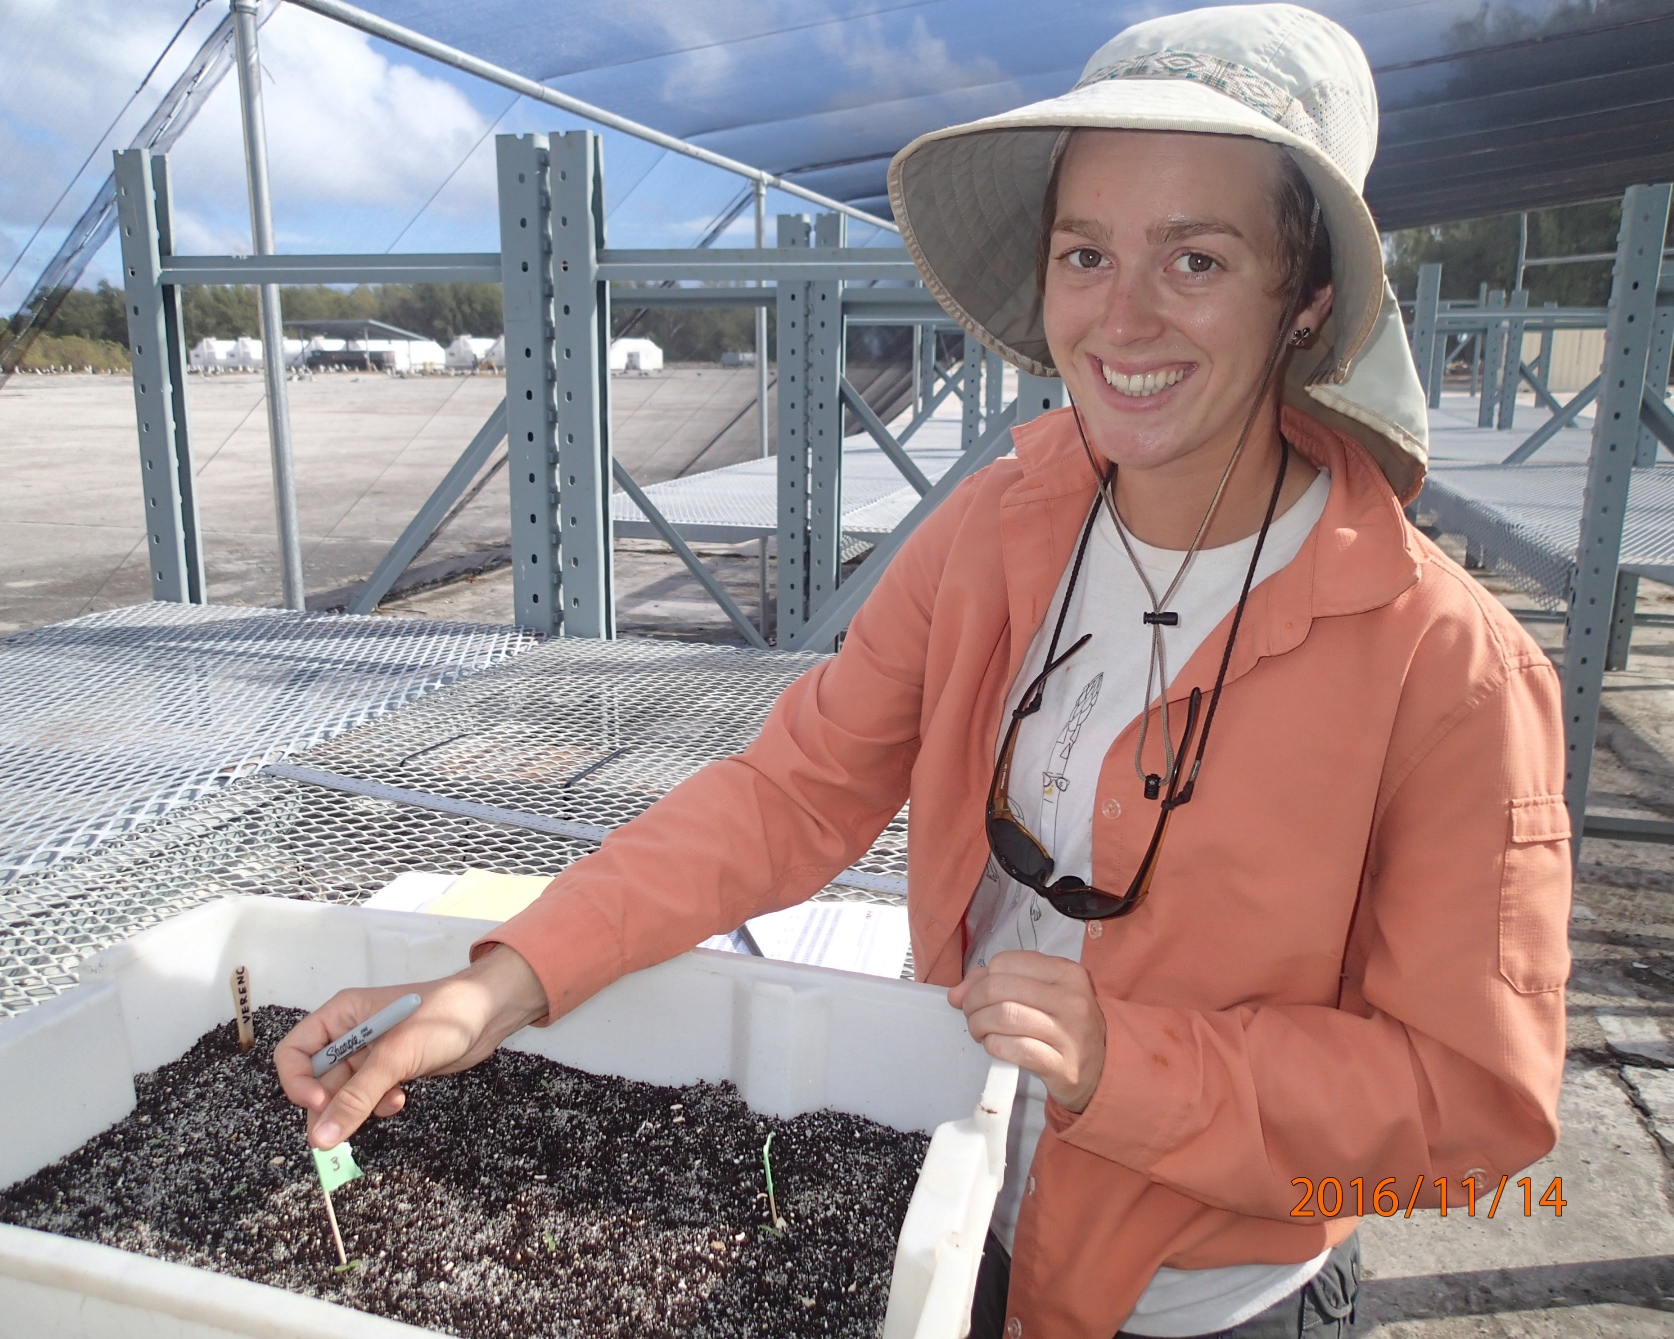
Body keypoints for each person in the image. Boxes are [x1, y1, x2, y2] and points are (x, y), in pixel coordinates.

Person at [275, 7, 1572, 1336]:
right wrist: (491, 987)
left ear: (1303, 300)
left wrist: (1134, 1065)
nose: (1120, 317)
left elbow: (1469, 1103)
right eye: (1084, 253)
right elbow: (791, 795)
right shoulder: (993, 532)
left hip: (1208, 1301)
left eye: (1194, 258)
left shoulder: (1448, 670)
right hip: (961, 1214)